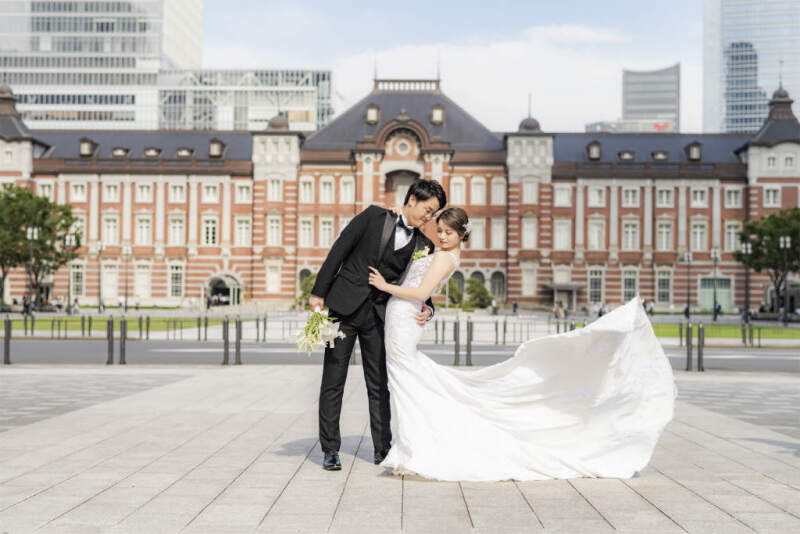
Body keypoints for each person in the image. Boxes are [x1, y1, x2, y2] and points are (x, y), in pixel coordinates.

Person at [367, 207, 676, 482]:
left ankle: (416, 450)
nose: (443, 237)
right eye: (441, 232)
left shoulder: (445, 256)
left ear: (462, 234)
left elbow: (420, 292)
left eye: (449, 233)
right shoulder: (448, 255)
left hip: (404, 319)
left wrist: (385, 286)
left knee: (408, 381)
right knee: (408, 381)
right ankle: (413, 448)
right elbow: (425, 293)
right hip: (404, 319)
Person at [309, 179, 447, 471]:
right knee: (333, 381)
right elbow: (339, 251)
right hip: (343, 309)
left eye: (434, 213)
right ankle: (330, 449)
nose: (429, 217)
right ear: (411, 199)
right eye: (428, 209)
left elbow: (423, 285)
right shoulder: (373, 216)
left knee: (379, 384)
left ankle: (382, 448)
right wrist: (318, 293)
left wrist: (429, 310)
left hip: (380, 317)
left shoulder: (425, 245)